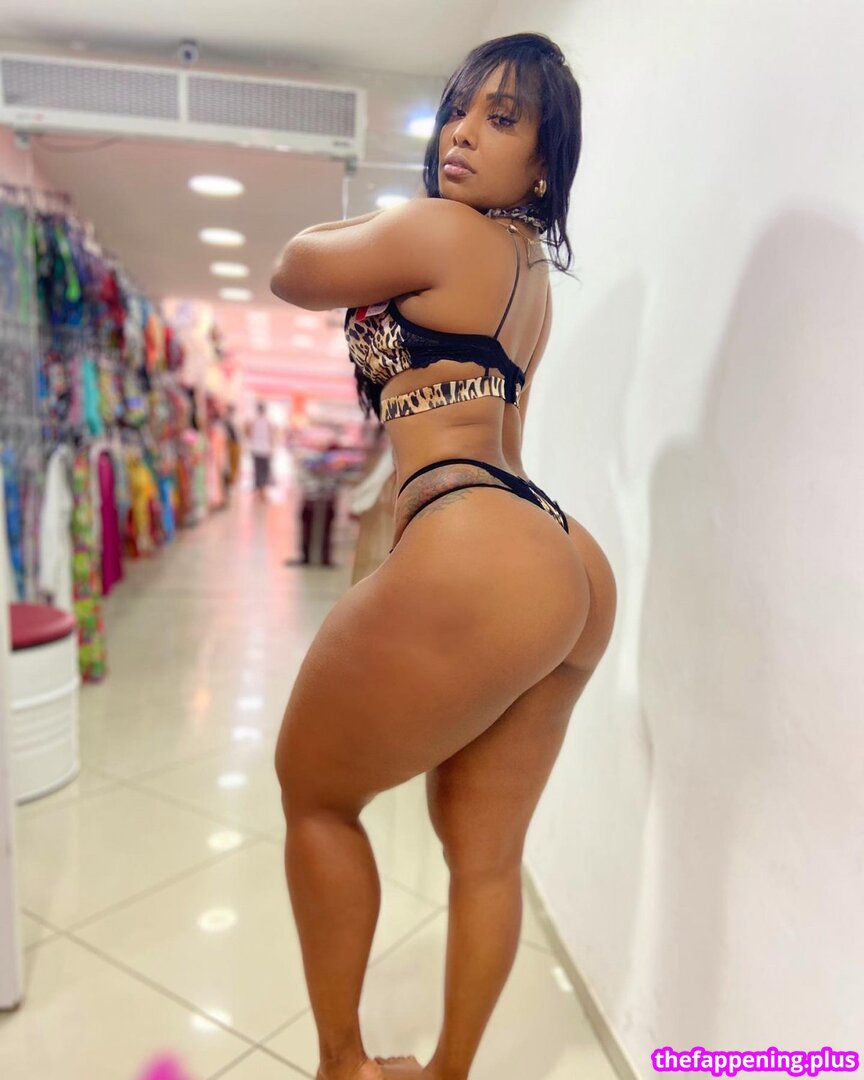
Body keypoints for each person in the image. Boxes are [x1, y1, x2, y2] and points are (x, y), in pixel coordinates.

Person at [270, 33, 618, 1080]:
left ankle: (344, 1064)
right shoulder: (527, 273)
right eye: (458, 109)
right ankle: (447, 1072)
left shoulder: (435, 228)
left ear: (544, 163)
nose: (461, 132)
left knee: (316, 795)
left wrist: (382, 213)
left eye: (500, 119)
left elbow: (295, 268)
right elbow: (491, 424)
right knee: (485, 855)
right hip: (560, 556)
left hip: (475, 532)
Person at [246, 401, 273, 499]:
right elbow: (270, 436)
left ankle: (259, 489)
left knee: (257, 469)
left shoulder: (253, 421)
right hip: (265, 449)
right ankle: (262, 490)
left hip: (256, 449)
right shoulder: (268, 421)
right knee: (264, 470)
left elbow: (250, 434)